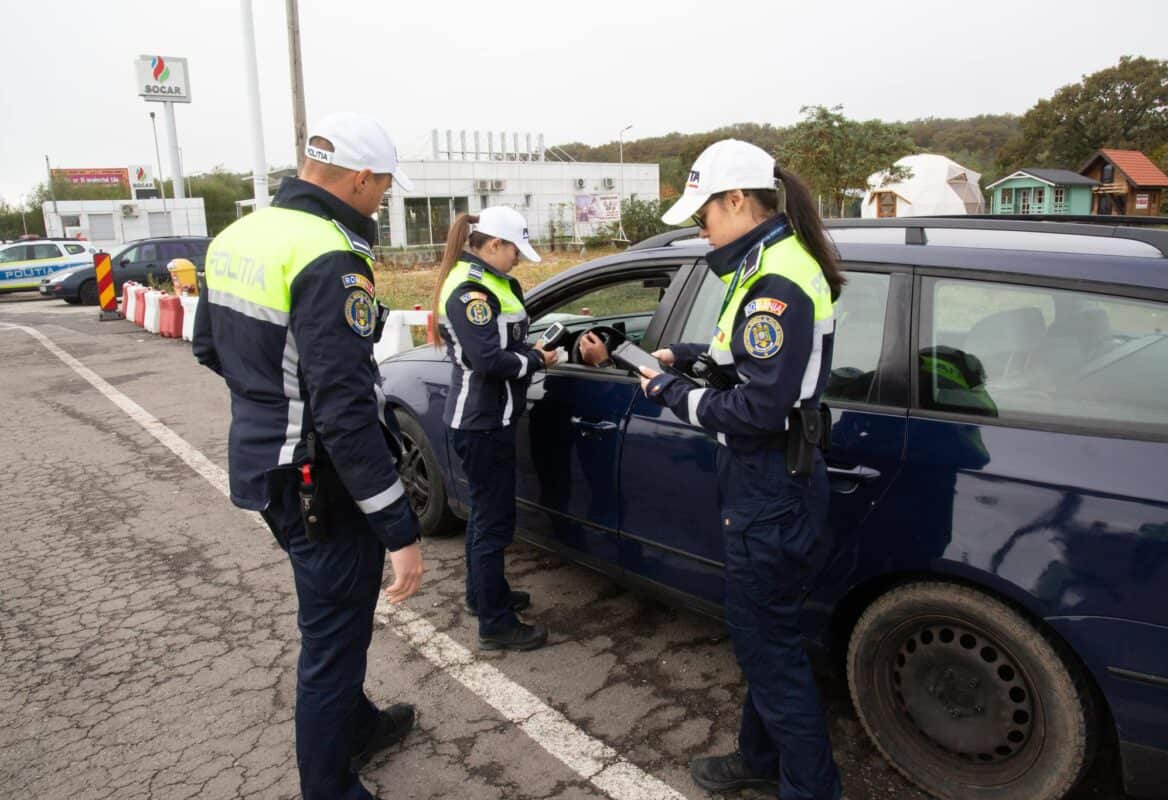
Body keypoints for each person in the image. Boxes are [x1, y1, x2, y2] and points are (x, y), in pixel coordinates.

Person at [580, 139, 845, 799]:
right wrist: (685, 356)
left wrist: (670, 392)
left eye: (705, 212)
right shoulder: (766, 266)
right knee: (766, 640)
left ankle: (812, 790)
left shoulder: (776, 279)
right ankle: (760, 758)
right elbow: (747, 359)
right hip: (769, 485)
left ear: (737, 201)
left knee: (771, 652)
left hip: (770, 489)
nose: (701, 227)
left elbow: (756, 407)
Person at [193, 112, 424, 800]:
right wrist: (399, 530)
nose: (383, 199)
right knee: (332, 641)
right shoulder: (330, 254)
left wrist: (270, 396)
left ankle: (358, 727)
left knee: (334, 616)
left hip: (264, 466)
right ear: (358, 178)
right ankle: (331, 787)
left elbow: (209, 347)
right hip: (317, 480)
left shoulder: (237, 236)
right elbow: (346, 413)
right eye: (382, 187)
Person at [430, 207, 559, 651]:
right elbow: (489, 361)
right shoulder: (470, 292)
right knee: (492, 522)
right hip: (481, 422)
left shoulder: (493, 283)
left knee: (486, 517)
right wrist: (538, 359)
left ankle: (484, 595)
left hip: (492, 418)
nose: (518, 261)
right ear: (494, 246)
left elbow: (505, 343)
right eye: (514, 252)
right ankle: (495, 624)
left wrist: (527, 349)